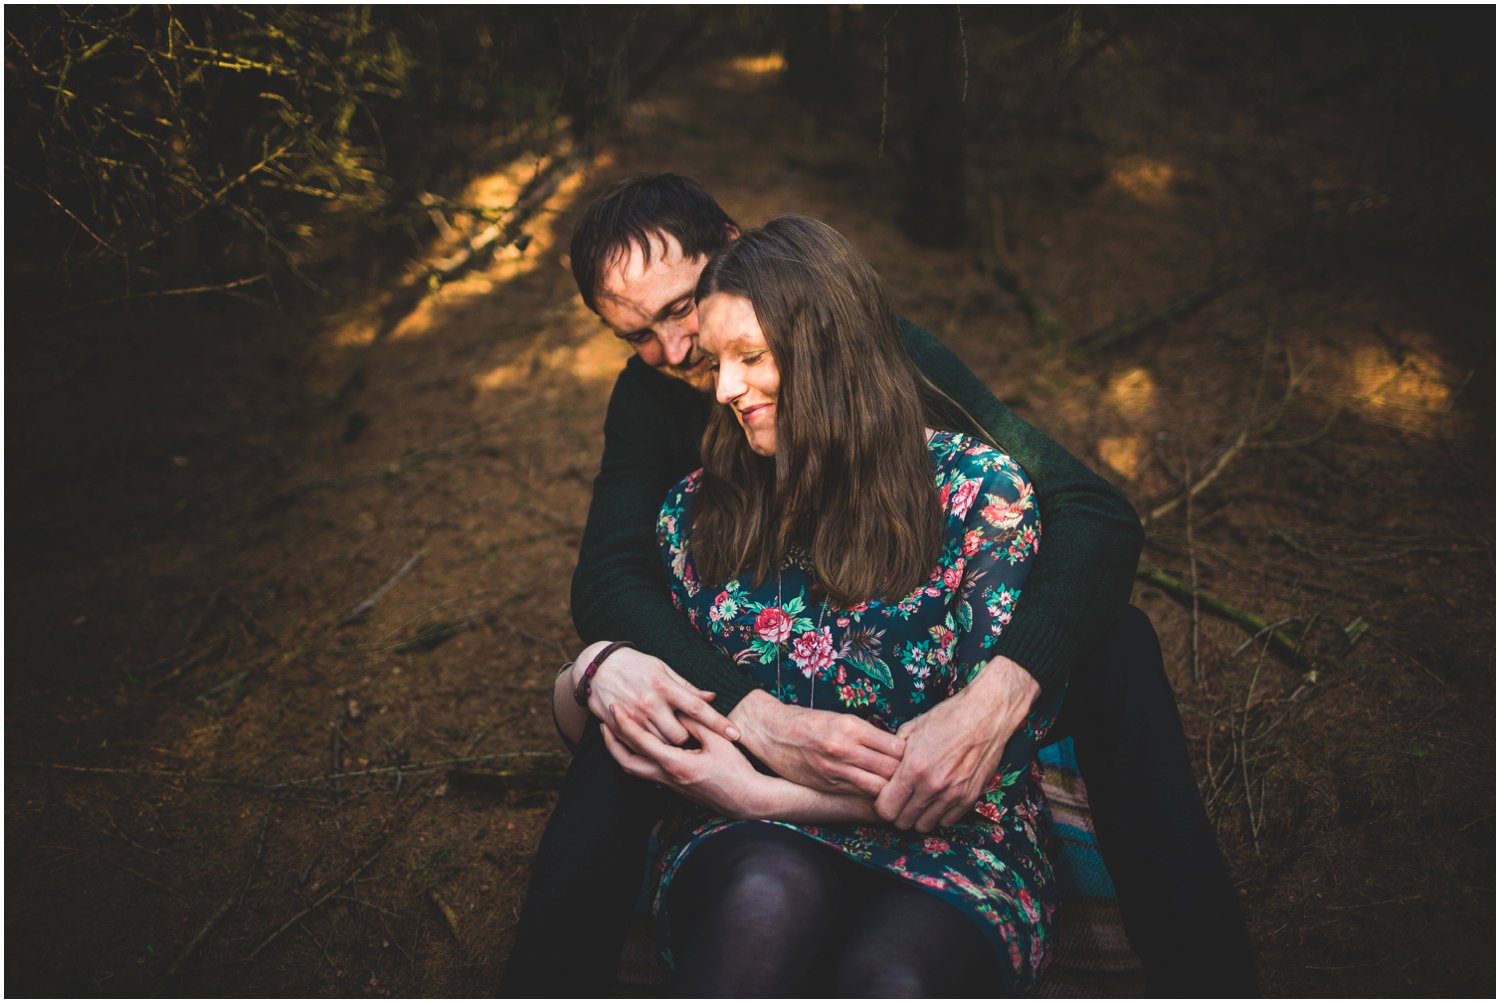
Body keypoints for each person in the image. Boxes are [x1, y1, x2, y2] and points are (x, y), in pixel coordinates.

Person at [500, 174, 1256, 995]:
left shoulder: (878, 361)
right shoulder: (660, 416)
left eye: (683, 310)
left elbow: (1090, 510)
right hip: (758, 666)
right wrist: (731, 707)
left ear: (734, 245)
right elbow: (608, 578)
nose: (680, 354)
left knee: (1116, 639)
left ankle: (1204, 968)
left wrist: (993, 696)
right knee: (633, 698)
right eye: (639, 335)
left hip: (920, 666)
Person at [554, 215, 1061, 994]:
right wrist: (595, 666)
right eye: (719, 361)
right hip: (750, 838)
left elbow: (963, 778)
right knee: (763, 900)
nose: (719, 387)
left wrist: (750, 786)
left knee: (894, 974)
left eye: (748, 357)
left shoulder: (980, 497)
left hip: (958, 849)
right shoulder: (695, 514)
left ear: (825, 344)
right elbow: (618, 624)